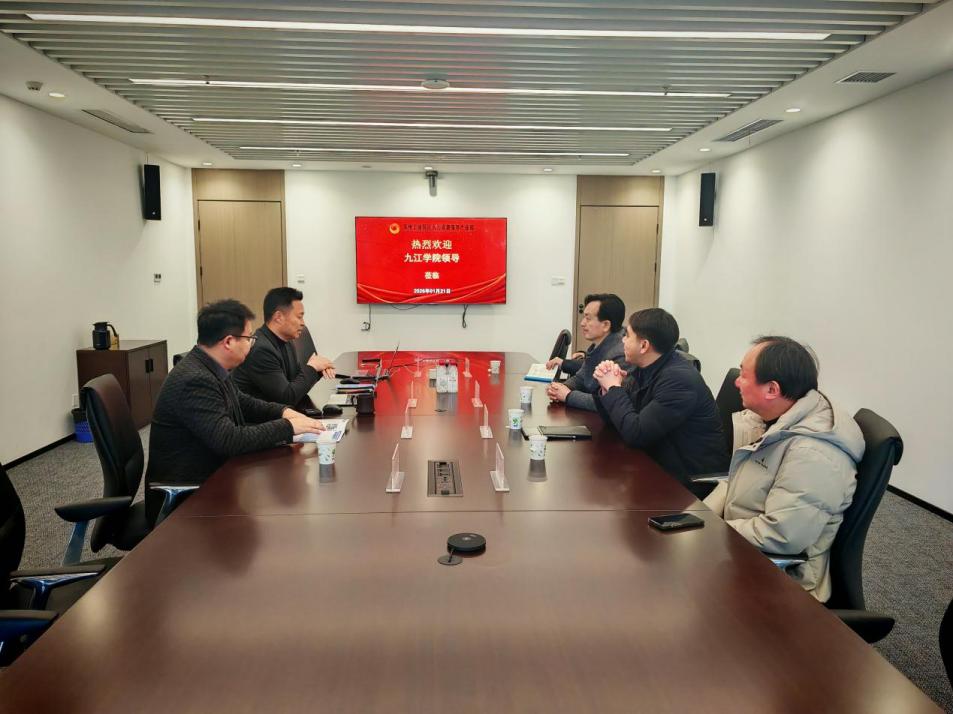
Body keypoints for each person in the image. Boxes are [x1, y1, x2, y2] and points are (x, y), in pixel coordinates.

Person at [703, 337, 864, 602]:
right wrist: (697, 518)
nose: (736, 382)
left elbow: (782, 535)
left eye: (743, 375)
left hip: (781, 581)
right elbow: (736, 481)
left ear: (772, 389)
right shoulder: (774, 421)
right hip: (741, 549)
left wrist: (708, 533)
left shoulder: (814, 455)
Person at [145, 299, 324, 523]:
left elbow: (242, 403)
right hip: (189, 499)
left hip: (216, 476)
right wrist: (287, 428)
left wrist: (284, 412)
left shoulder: (211, 365)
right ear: (228, 342)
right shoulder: (194, 379)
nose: (252, 344)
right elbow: (229, 440)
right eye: (249, 338)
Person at [592, 308, 728, 489]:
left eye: (627, 335)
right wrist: (606, 387)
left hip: (688, 481)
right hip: (656, 463)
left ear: (644, 345)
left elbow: (636, 433)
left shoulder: (679, 380)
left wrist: (614, 388)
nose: (622, 340)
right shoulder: (646, 368)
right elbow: (617, 422)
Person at [233, 287, 335, 407]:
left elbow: (296, 382)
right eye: (299, 317)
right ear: (278, 317)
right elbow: (287, 397)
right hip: (260, 416)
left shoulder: (286, 340)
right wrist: (312, 367)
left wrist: (318, 370)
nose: (303, 323)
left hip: (281, 412)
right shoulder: (261, 350)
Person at [545, 293, 627, 411]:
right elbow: (581, 378)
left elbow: (608, 402)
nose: (582, 323)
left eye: (588, 319)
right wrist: (560, 388)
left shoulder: (621, 354)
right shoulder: (599, 345)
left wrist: (568, 395)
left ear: (606, 325)